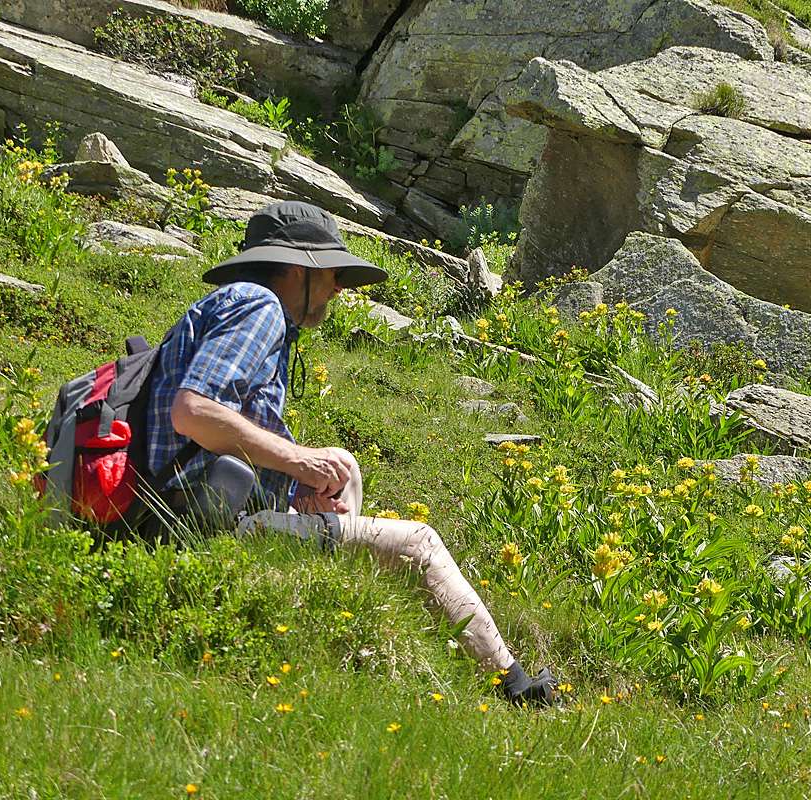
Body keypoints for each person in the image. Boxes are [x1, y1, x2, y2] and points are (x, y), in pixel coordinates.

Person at [147, 200, 556, 706]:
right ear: (297, 269)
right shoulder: (258, 306)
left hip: (192, 504)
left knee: (344, 465)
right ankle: (517, 687)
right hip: (191, 527)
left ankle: (334, 595)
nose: (339, 287)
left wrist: (295, 481)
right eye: (333, 274)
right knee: (419, 544)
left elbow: (205, 430)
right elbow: (194, 413)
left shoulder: (244, 307)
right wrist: (299, 463)